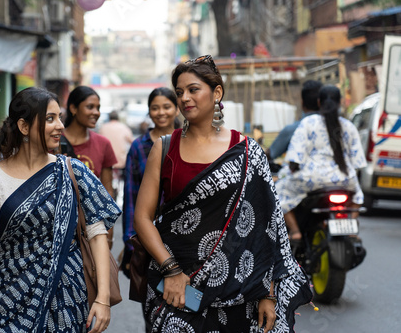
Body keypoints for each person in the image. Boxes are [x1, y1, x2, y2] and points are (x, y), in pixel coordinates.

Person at [133, 55, 312, 333]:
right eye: (180, 92)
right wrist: (171, 270)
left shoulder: (248, 152)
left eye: (193, 89)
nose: (185, 98)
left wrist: (268, 293)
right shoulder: (164, 148)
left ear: (217, 93)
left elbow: (269, 229)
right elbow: (142, 218)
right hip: (178, 287)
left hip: (240, 293)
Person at [0, 87, 121, 333]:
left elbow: (97, 235)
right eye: (50, 119)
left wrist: (102, 300)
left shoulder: (72, 171)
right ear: (24, 127)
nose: (60, 126)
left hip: (69, 299)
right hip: (11, 297)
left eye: (59, 117)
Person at [275, 85, 367, 242]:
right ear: (341, 103)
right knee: (358, 194)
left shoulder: (309, 123)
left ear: (319, 102)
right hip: (345, 180)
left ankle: (295, 231)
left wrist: (291, 170)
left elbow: (295, 158)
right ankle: (352, 229)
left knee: (278, 192)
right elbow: (358, 162)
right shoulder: (349, 126)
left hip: (313, 179)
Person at [120, 87, 179, 278]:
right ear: (149, 112)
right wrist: (131, 241)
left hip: (183, 232)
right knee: (153, 299)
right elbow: (131, 196)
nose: (161, 113)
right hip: (150, 234)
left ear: (177, 109)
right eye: (155, 108)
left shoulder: (189, 141)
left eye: (166, 107)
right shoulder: (138, 147)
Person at [62, 86, 118, 249]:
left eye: (98, 108)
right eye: (90, 107)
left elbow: (107, 191)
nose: (96, 112)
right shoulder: (55, 143)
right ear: (73, 108)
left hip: (93, 228)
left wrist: (109, 233)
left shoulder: (103, 144)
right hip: (61, 226)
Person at [266, 80, 323, 160]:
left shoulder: (293, 129)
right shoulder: (336, 126)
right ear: (322, 103)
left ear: (302, 103)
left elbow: (271, 154)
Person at [98, 110, 134, 204]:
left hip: (106, 161)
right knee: (121, 180)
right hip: (121, 161)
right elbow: (131, 142)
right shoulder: (124, 127)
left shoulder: (103, 128)